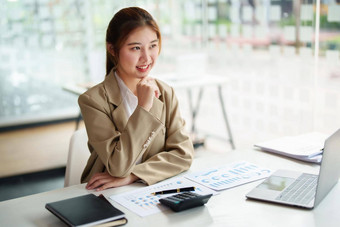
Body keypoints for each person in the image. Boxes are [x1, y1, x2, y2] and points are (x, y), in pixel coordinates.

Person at [78, 7, 194, 191]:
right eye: (136, 48)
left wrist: (134, 176)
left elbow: (183, 154)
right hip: (106, 193)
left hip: (151, 188)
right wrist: (144, 107)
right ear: (112, 50)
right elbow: (118, 166)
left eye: (153, 46)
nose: (146, 58)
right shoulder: (93, 101)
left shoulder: (166, 92)